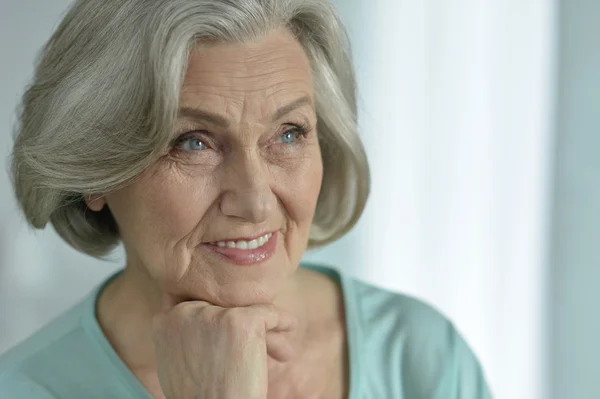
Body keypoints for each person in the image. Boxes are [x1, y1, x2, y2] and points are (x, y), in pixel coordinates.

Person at [0, 0, 493, 397]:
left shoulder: (418, 356)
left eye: (289, 133)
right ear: (94, 170)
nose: (256, 202)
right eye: (193, 142)